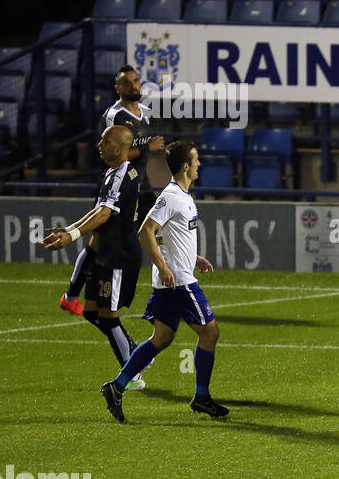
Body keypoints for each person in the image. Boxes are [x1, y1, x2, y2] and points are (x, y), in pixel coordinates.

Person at [99, 141, 228, 423]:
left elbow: (169, 236)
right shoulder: (171, 196)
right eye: (196, 160)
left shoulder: (183, 196)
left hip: (175, 278)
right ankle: (202, 397)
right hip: (179, 283)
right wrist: (162, 266)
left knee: (162, 338)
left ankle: (117, 387)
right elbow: (146, 231)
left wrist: (193, 257)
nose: (199, 165)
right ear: (185, 166)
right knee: (210, 333)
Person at [43, 126, 149, 391]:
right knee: (91, 312)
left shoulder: (123, 174)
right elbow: (97, 211)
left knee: (108, 316)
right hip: (106, 253)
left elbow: (103, 213)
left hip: (119, 256)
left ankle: (132, 373)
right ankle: (134, 352)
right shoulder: (111, 173)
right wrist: (69, 231)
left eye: (105, 141)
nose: (98, 145)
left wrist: (73, 233)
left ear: (120, 147)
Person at [61, 65, 164, 317]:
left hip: (142, 185)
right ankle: (73, 295)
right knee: (99, 240)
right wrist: (149, 147)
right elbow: (117, 154)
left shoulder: (146, 114)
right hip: (120, 185)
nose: (134, 86)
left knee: (162, 228)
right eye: (127, 83)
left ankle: (170, 290)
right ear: (118, 88)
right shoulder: (113, 116)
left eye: (137, 81)